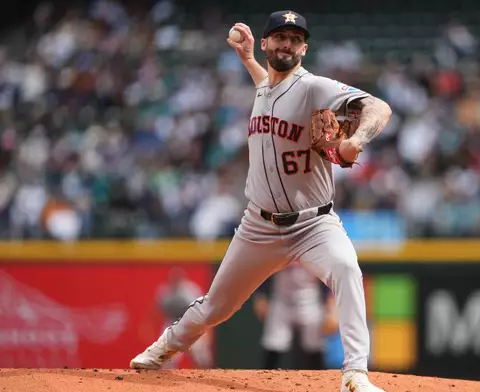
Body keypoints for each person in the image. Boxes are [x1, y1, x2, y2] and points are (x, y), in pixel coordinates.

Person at [129, 10, 392, 392]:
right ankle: (165, 348)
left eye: (295, 37)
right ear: (266, 43)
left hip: (313, 223)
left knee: (347, 270)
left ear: (304, 48)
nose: (287, 43)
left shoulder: (314, 88)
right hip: (259, 225)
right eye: (279, 36)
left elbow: (379, 108)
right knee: (216, 306)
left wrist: (356, 140)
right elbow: (267, 89)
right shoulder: (264, 87)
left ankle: (355, 375)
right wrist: (248, 59)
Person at [253, 262, 331, 370]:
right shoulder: (279, 246)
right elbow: (264, 268)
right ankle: (265, 380)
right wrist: (260, 295)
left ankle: (319, 383)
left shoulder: (314, 248)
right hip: (282, 302)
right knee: (274, 344)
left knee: (314, 346)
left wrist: (330, 303)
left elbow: (327, 275)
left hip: (309, 301)